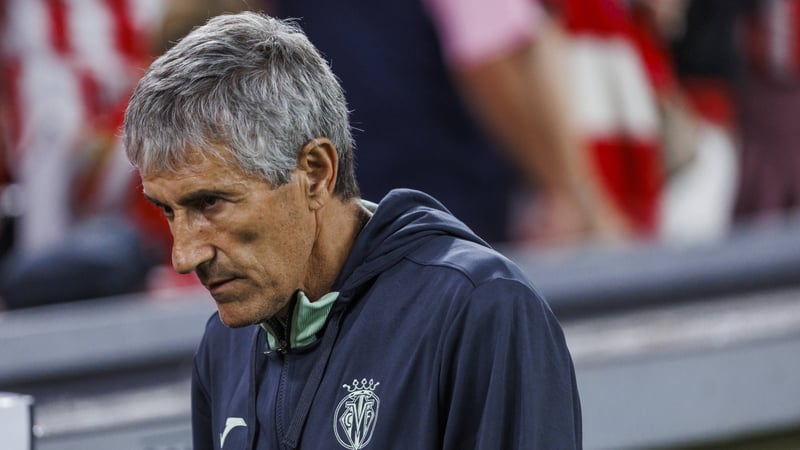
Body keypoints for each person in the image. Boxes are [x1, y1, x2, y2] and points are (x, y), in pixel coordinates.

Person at [123, 12, 581, 450]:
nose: (184, 255)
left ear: (316, 173)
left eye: (210, 203)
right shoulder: (225, 343)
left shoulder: (481, 309)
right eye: (168, 211)